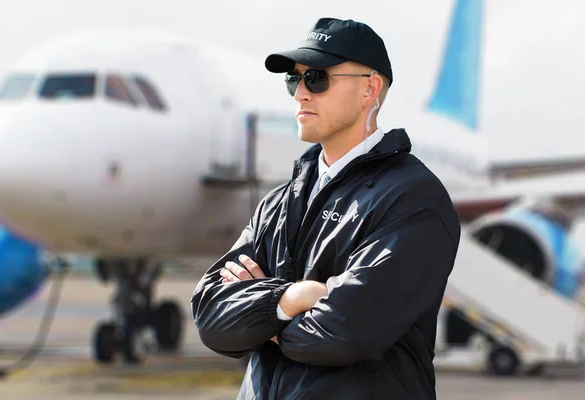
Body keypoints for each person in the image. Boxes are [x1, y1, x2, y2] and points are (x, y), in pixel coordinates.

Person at [191, 17, 461, 399]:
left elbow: (343, 335)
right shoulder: (278, 203)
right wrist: (294, 300)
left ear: (370, 88)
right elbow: (210, 319)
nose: (301, 93)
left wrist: (258, 316)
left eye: (316, 78)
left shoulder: (413, 199)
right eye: (293, 80)